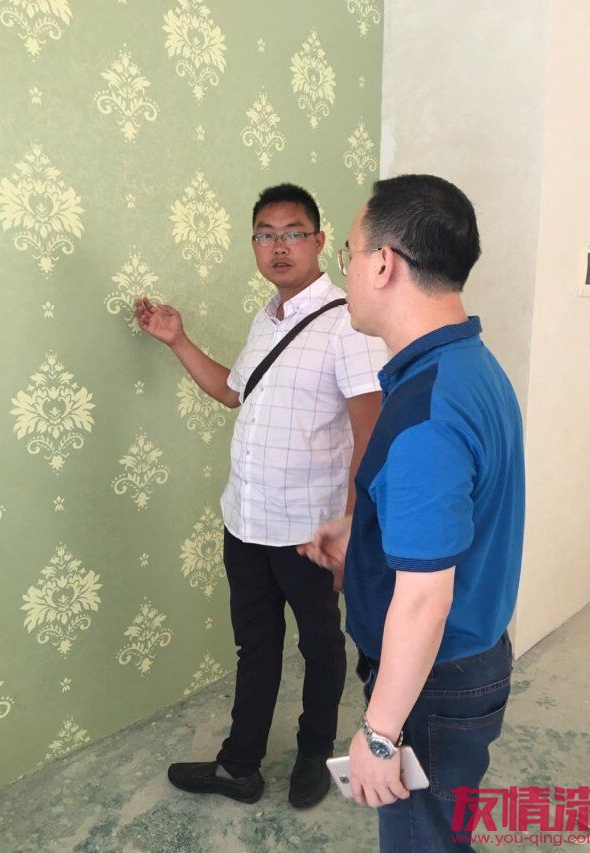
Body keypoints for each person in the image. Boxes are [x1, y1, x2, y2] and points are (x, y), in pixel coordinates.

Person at [135, 183, 386, 808]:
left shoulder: (347, 323)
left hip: (308, 529)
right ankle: (239, 765)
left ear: (319, 241)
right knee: (255, 645)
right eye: (265, 235)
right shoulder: (266, 318)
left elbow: (370, 430)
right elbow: (233, 392)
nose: (279, 247)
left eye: (292, 233)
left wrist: (351, 524)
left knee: (320, 645)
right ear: (253, 245)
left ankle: (312, 755)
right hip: (246, 519)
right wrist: (177, 340)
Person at [300, 174, 525, 851]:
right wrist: (364, 532)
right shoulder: (467, 365)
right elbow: (457, 513)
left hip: (435, 681)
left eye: (347, 252)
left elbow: (426, 598)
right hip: (468, 658)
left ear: (383, 263)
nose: (345, 270)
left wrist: (379, 734)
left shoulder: (425, 410)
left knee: (423, 840)